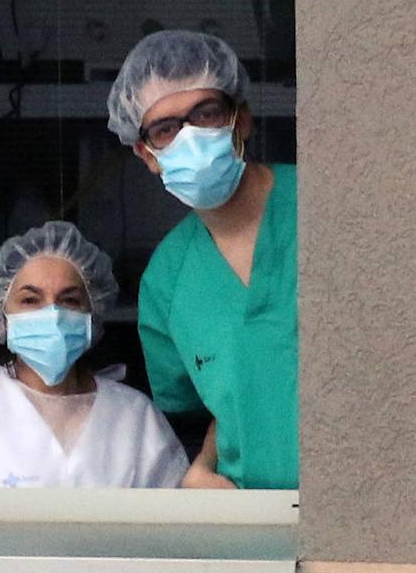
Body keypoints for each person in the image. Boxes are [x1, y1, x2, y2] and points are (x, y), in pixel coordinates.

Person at [106, 30, 298, 490]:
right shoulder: (168, 281)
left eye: (206, 114)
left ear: (242, 120)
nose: (188, 136)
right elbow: (223, 407)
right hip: (251, 524)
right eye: (166, 128)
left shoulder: (324, 207)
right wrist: (204, 467)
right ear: (147, 154)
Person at [0, 221, 189, 488]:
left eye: (69, 299)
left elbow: (173, 529)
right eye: (30, 300)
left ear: (93, 311)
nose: (53, 313)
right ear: (2, 314)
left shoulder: (134, 416)